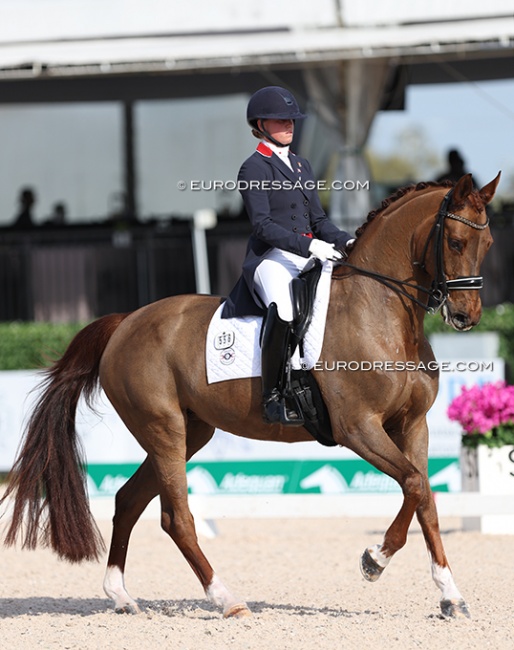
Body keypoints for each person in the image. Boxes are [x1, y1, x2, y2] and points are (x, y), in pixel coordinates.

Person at [221, 86, 354, 426]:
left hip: (308, 254)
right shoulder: (254, 168)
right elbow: (263, 226)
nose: (290, 125)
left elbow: (319, 220)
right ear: (261, 124)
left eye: (292, 120)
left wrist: (347, 241)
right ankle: (274, 395)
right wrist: (308, 245)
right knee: (284, 308)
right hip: (271, 258)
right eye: (282, 120)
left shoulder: (300, 164)